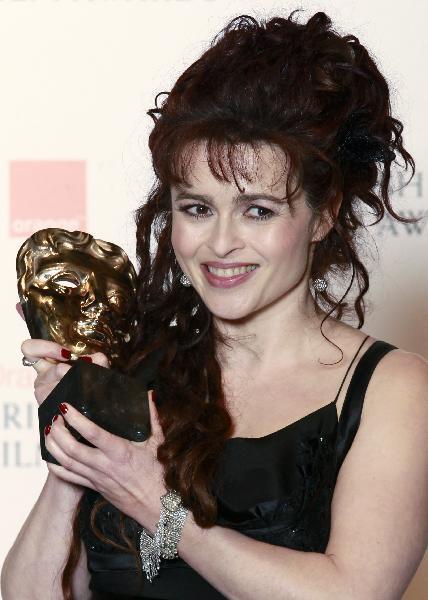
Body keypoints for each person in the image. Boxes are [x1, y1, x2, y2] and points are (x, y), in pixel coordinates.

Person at [2, 10, 428, 600]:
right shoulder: (137, 370)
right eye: (197, 208)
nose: (221, 243)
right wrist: (75, 446)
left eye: (258, 210)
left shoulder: (392, 390)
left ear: (322, 215)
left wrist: (156, 504)